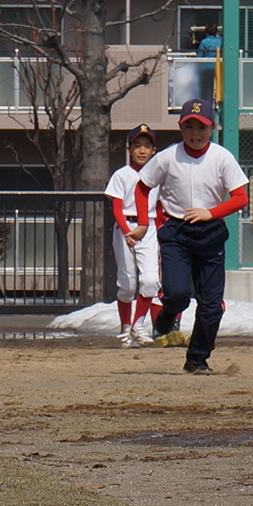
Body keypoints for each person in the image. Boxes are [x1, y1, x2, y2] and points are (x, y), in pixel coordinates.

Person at [136, 99, 249, 376]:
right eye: (189, 126)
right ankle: (167, 313)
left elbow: (240, 197)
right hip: (176, 231)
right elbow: (143, 186)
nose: (195, 133)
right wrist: (142, 223)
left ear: (212, 128)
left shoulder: (222, 157)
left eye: (202, 127)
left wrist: (210, 213)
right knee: (177, 294)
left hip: (210, 232)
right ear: (180, 127)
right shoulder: (167, 156)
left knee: (211, 305)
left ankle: (197, 359)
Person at [105, 124, 163, 347]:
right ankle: (125, 328)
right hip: (125, 227)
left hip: (148, 228)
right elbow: (117, 206)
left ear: (153, 151)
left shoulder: (156, 176)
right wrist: (126, 231)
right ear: (129, 149)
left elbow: (158, 207)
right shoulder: (122, 174)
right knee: (128, 283)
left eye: (147, 146)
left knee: (150, 280)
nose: (142, 150)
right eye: (137, 145)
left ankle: (138, 324)